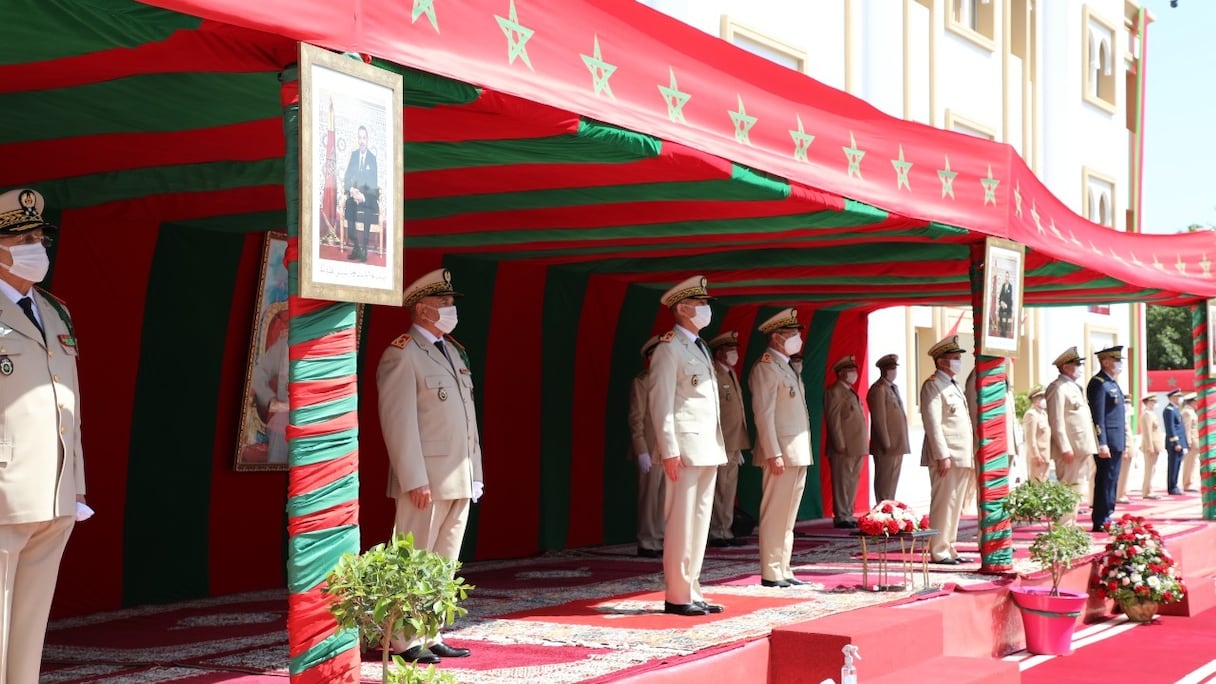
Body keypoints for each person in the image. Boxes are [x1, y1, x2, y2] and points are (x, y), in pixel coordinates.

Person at [0, 188, 89, 683]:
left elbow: (68, 405)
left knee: (28, 632)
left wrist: (74, 481)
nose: (37, 247)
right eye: (24, 238)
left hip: (52, 494)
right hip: (4, 491)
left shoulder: (55, 311)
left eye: (39, 237)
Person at [377, 268, 482, 663]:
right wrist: (413, 477)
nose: (451, 309)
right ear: (422, 309)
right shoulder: (402, 353)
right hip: (425, 478)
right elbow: (398, 421)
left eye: (451, 303)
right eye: (444, 304)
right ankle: (404, 639)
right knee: (414, 556)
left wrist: (476, 473)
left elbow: (466, 420)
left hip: (458, 474)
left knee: (443, 562)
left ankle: (431, 631)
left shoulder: (452, 351)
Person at [648, 275, 727, 616]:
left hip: (706, 446)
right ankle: (677, 594)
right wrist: (669, 449)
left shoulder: (699, 346)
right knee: (681, 522)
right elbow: (661, 402)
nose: (707, 309)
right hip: (683, 448)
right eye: (702, 303)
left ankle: (693, 587)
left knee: (698, 522)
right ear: (683, 308)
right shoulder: (669, 349)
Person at [748, 307, 813, 586]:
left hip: (797, 451)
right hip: (781, 453)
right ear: (776, 337)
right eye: (792, 334)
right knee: (776, 512)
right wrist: (773, 452)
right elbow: (764, 414)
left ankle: (784, 567)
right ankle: (771, 570)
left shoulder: (785, 366)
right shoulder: (765, 367)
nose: (797, 339)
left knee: (788, 515)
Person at [919, 335, 973, 565]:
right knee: (944, 503)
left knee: (955, 504)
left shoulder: (953, 385)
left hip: (961, 454)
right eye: (954, 358)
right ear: (941, 362)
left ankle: (950, 547)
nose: (958, 362)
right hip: (947, 455)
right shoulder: (933, 385)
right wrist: (942, 454)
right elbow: (932, 423)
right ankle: (938, 550)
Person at [1044, 346, 1097, 527]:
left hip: (1081, 446)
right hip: (1069, 449)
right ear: (1066, 367)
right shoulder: (1057, 388)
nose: (1079, 368)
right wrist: (1064, 446)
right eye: (1076, 364)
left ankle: (1071, 523)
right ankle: (1064, 525)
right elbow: (1056, 420)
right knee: (1068, 486)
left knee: (1077, 488)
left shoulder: (1074, 387)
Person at [708, 331, 750, 547]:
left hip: (734, 442)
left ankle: (726, 529)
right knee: (719, 489)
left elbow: (736, 411)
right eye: (730, 350)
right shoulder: (714, 374)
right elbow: (713, 412)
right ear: (719, 352)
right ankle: (717, 531)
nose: (735, 354)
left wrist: (739, 445)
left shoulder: (730, 373)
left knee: (728, 489)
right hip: (721, 441)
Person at [628, 336, 664, 558]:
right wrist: (641, 449)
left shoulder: (671, 380)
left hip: (669, 447)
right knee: (649, 497)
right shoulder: (643, 381)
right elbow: (636, 418)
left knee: (664, 498)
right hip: (650, 447)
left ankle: (660, 538)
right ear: (651, 357)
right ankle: (647, 541)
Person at [824, 355, 867, 528]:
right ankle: (841, 515)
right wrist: (838, 442)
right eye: (850, 371)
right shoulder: (834, 391)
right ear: (840, 373)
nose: (853, 374)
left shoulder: (850, 391)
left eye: (854, 370)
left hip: (856, 444)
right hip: (843, 445)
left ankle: (848, 512)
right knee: (842, 481)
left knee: (851, 481)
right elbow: (833, 419)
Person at [1087, 346, 1126, 532]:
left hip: (1116, 440)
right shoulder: (1099, 383)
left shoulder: (1113, 383)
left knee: (1112, 479)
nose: (1119, 363)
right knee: (1104, 480)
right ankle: (1101, 518)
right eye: (1116, 360)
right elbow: (1098, 416)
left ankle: (1109, 514)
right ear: (1105, 362)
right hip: (1107, 441)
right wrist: (1101, 442)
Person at [867, 354, 909, 502]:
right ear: (883, 370)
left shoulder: (893, 388)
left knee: (892, 480)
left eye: (894, 368)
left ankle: (889, 506)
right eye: (890, 369)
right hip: (887, 444)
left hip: (898, 442)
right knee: (884, 480)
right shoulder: (878, 389)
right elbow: (879, 418)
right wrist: (886, 442)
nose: (893, 372)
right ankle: (882, 508)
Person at [251, 312, 289, 464]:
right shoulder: (283, 345)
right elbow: (257, 376)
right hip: (286, 418)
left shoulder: (329, 348)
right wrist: (271, 401)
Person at [343, 125, 379, 262]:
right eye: (360, 138)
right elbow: (347, 177)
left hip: (367, 196)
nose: (362, 141)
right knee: (349, 203)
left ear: (367, 139)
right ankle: (356, 247)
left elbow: (373, 183)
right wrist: (352, 190)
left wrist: (362, 196)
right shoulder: (354, 155)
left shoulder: (372, 158)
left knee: (369, 208)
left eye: (364, 137)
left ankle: (364, 248)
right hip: (355, 193)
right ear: (358, 139)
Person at [1162, 388, 1189, 495]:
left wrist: (1184, 443)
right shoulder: (1169, 410)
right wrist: (1176, 443)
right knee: (1173, 466)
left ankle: (1175, 485)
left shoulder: (1176, 409)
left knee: (1177, 465)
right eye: (1178, 397)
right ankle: (1172, 487)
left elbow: (1181, 428)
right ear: (1172, 398)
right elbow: (1171, 428)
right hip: (1174, 443)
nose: (1180, 399)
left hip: (1180, 443)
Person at [1022, 385, 1050, 483]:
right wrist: (1035, 455)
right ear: (1034, 399)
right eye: (1041, 397)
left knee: (1044, 485)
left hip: (1045, 455)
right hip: (1038, 457)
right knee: (1037, 484)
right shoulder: (1031, 414)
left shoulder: (1043, 414)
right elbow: (1030, 438)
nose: (1044, 399)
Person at [1139, 395, 1165, 499]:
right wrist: (1150, 446)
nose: (1154, 404)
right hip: (1151, 445)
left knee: (1152, 469)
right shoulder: (1147, 415)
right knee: (1149, 469)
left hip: (1155, 444)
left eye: (1155, 401)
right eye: (1152, 402)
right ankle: (1147, 491)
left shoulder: (1152, 414)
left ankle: (1149, 490)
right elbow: (1147, 432)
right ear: (1147, 402)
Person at [1115, 395, 1135, 504]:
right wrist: (1125, 449)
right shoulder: (1119, 415)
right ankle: (1119, 495)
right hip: (1124, 449)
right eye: (1126, 403)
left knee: (1125, 474)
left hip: (1127, 448)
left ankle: (1122, 493)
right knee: (1122, 474)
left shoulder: (1124, 416)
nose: (1128, 406)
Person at [1181, 393, 1200, 492]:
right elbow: (1187, 428)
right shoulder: (1187, 412)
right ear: (1192, 401)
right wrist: (1187, 441)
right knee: (1189, 463)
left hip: (1195, 440)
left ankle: (1190, 482)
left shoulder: (1192, 411)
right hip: (1191, 441)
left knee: (1193, 463)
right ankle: (1187, 483)